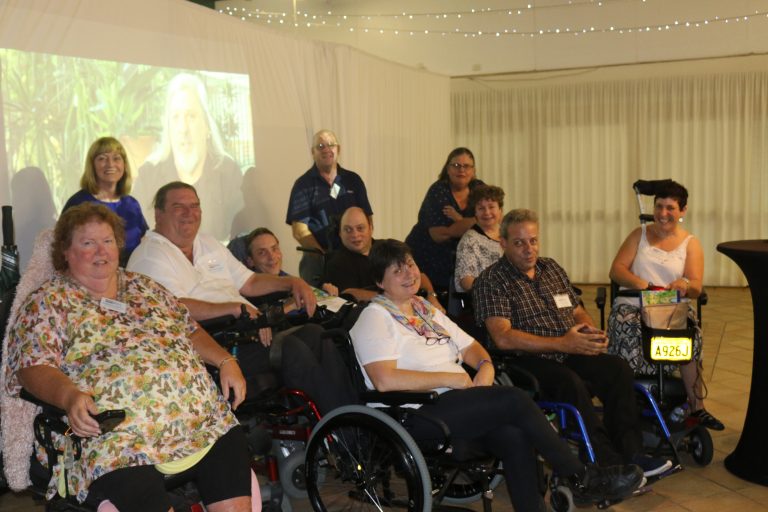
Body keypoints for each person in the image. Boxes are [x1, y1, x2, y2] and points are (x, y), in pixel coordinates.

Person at [350, 239, 644, 512]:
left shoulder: (424, 309)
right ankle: (582, 478)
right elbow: (384, 380)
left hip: (452, 402)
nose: (409, 274)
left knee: (514, 436)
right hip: (414, 412)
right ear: (380, 281)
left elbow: (471, 346)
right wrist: (449, 379)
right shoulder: (375, 317)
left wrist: (485, 366)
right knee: (515, 400)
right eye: (397, 270)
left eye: (410, 265)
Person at [5, 203, 252, 511]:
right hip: (118, 437)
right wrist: (69, 396)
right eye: (88, 243)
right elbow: (31, 367)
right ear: (65, 251)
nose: (101, 251)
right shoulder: (48, 301)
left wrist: (226, 361)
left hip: (200, 421)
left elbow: (189, 329)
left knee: (230, 443)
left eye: (107, 241)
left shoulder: (144, 286)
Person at [473, 209, 673, 477]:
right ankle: (606, 463)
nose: (528, 249)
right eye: (519, 243)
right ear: (503, 243)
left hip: (568, 347)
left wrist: (588, 330)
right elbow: (503, 337)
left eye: (533, 241)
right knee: (569, 382)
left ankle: (632, 452)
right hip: (524, 359)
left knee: (617, 369)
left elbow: (577, 310)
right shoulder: (492, 280)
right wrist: (562, 343)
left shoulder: (550, 268)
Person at [127, 182, 355, 414]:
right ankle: (334, 424)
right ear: (158, 214)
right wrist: (236, 309)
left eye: (194, 206)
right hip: (210, 344)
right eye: (179, 207)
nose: (189, 213)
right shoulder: (150, 256)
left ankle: (353, 419)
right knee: (292, 348)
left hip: (247, 330)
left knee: (317, 334)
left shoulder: (207, 243)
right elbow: (174, 308)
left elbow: (250, 282)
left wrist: (292, 282)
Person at [608, 181, 723, 430]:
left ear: (683, 211)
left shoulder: (690, 243)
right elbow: (617, 270)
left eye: (670, 208)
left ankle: (697, 406)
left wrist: (685, 283)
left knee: (690, 335)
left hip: (670, 305)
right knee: (628, 327)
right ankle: (625, 401)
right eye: (659, 206)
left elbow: (696, 286)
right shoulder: (639, 235)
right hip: (634, 301)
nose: (663, 213)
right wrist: (643, 284)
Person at [134, 73, 243, 241]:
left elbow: (240, 232)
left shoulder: (228, 171)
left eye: (191, 116)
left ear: (206, 125)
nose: (183, 129)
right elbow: (138, 236)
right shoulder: (148, 175)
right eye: (175, 117)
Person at [285, 129, 373, 286]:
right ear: (313, 152)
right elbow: (299, 231)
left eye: (331, 145)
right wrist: (325, 256)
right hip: (319, 261)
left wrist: (365, 249)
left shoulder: (353, 180)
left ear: (338, 149)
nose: (326, 149)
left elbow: (368, 219)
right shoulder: (303, 185)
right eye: (320, 146)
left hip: (355, 257)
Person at [323, 206, 444, 312]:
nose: (355, 235)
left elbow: (419, 275)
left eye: (360, 228)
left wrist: (431, 296)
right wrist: (398, 298)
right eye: (348, 230)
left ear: (371, 228)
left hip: (416, 308)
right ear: (340, 233)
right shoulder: (336, 263)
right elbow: (349, 294)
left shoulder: (387, 248)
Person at [405, 147, 485, 296]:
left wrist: (459, 220)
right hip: (427, 258)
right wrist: (475, 221)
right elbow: (439, 235)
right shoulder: (438, 190)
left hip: (461, 262)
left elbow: (492, 220)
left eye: (467, 166)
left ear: (473, 170)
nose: (461, 170)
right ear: (447, 169)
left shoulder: (479, 188)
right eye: (456, 165)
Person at [62, 137, 148, 264]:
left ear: (124, 165)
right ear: (92, 166)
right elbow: (64, 248)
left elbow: (145, 244)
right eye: (102, 158)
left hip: (132, 273)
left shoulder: (132, 204)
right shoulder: (79, 203)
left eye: (116, 158)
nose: (110, 164)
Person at [454, 184, 505, 292]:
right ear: (475, 213)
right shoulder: (470, 240)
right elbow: (465, 281)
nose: (487, 212)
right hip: (486, 296)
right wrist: (494, 291)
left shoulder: (510, 235)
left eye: (491, 207)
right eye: (481, 208)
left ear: (500, 210)